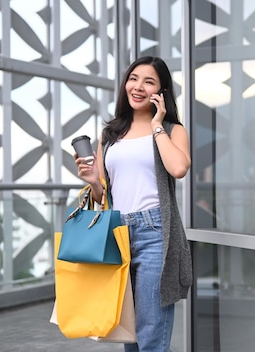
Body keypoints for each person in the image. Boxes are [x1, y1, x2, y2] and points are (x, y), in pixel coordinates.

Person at [74, 56, 192, 352]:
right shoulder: (110, 135)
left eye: (149, 81)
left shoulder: (171, 130)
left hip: (155, 233)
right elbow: (103, 197)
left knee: (151, 331)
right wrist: (92, 179)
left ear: (160, 92)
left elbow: (179, 168)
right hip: (118, 233)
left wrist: (156, 125)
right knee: (129, 331)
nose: (138, 86)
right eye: (133, 78)